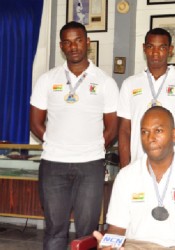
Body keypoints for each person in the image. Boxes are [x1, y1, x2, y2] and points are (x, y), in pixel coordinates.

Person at [30, 21, 119, 250]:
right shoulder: (47, 79)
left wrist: (94, 146)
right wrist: (54, 143)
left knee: (87, 232)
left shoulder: (105, 82)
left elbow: (112, 126)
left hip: (90, 165)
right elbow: (35, 122)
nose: (74, 46)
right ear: (61, 46)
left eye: (78, 40)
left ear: (87, 42)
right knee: (54, 230)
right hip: (53, 164)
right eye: (68, 42)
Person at [94, 106, 175, 249]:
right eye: (145, 132)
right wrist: (109, 245)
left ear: (174, 135)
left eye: (158, 131)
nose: (150, 138)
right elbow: (116, 230)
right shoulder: (126, 176)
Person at [117, 28, 175, 168]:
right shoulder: (129, 84)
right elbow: (124, 130)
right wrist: (125, 168)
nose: (155, 53)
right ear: (144, 48)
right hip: (139, 166)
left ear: (170, 50)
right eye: (150, 47)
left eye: (162, 47)